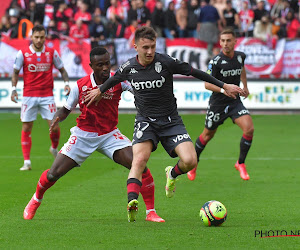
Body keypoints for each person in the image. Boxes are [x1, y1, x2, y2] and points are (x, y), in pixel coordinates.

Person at [84, 26, 245, 222]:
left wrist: (223, 85)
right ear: (135, 46)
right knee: (139, 160)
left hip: (171, 121)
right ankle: (132, 202)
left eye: (152, 46)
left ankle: (172, 173)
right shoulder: (128, 67)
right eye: (145, 47)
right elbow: (114, 79)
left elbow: (195, 72)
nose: (150, 51)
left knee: (190, 161)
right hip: (146, 122)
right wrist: (100, 90)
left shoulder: (166, 62)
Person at [23, 47, 165, 223]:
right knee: (53, 174)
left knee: (139, 164)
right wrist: (56, 118)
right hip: (83, 135)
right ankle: (36, 199)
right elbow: (66, 109)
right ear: (92, 66)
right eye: (100, 65)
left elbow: (139, 89)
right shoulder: (80, 85)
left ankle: (151, 212)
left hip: (110, 135)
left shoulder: (118, 80)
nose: (105, 68)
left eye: (107, 63)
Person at [187, 28, 254, 182]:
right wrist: (224, 90)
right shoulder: (215, 62)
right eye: (222, 40)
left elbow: (241, 69)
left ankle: (240, 163)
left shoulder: (240, 57)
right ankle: (194, 164)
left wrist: (245, 86)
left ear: (235, 41)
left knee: (249, 129)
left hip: (234, 102)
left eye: (228, 40)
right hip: (218, 103)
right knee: (207, 135)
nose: (225, 44)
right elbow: (207, 85)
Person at [11, 24, 70, 171]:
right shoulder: (22, 53)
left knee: (54, 126)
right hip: (29, 95)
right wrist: (13, 89)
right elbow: (15, 72)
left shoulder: (51, 52)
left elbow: (62, 69)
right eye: (36, 37)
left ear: (45, 37)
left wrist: (67, 83)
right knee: (26, 127)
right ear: (31, 37)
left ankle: (54, 148)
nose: (39, 40)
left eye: (42, 37)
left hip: (47, 96)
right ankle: (27, 162)